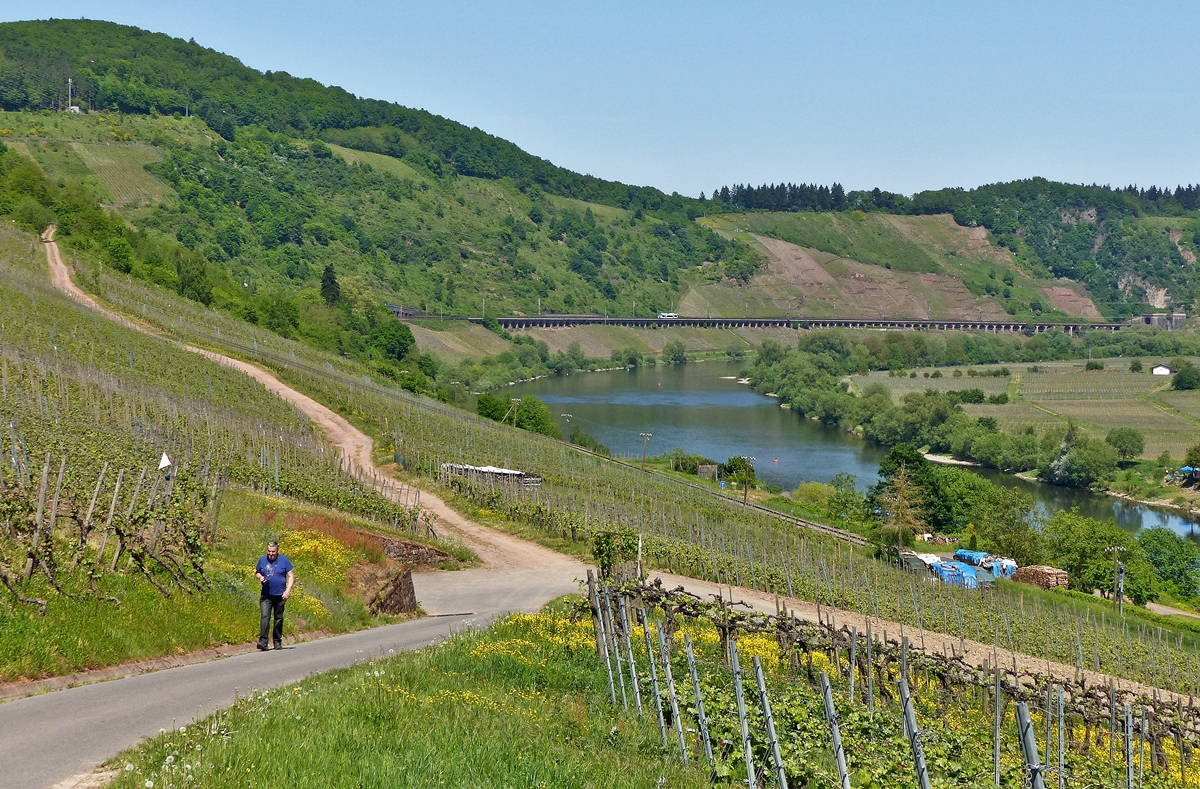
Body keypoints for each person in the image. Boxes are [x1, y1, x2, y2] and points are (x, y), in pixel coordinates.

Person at [255, 540, 294, 651]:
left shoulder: (284, 560)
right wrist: (261, 577)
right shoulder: (262, 560)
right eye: (269, 551)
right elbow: (257, 572)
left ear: (277, 551)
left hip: (280, 595)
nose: (271, 554)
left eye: (273, 552)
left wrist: (288, 590)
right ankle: (263, 641)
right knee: (265, 617)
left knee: (278, 618)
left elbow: (291, 575)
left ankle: (277, 641)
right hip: (266, 595)